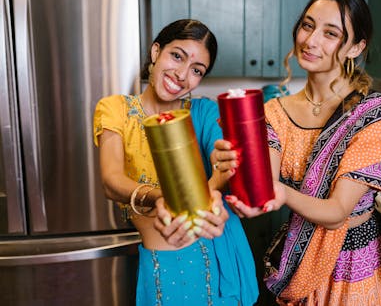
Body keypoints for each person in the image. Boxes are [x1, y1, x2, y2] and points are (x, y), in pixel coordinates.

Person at [223, 0, 381, 306]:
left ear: (355, 48)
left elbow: (336, 213)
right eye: (307, 26)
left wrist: (281, 194)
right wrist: (242, 184)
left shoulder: (373, 117)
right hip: (300, 265)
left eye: (330, 33)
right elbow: (264, 183)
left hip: (356, 269)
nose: (310, 41)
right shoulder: (275, 112)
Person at [93, 19, 258, 306]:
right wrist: (168, 197)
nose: (182, 74)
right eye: (177, 56)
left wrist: (224, 165)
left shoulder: (203, 112)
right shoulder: (115, 108)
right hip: (162, 259)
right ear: (156, 51)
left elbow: (223, 164)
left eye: (196, 71)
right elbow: (111, 181)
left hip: (216, 251)